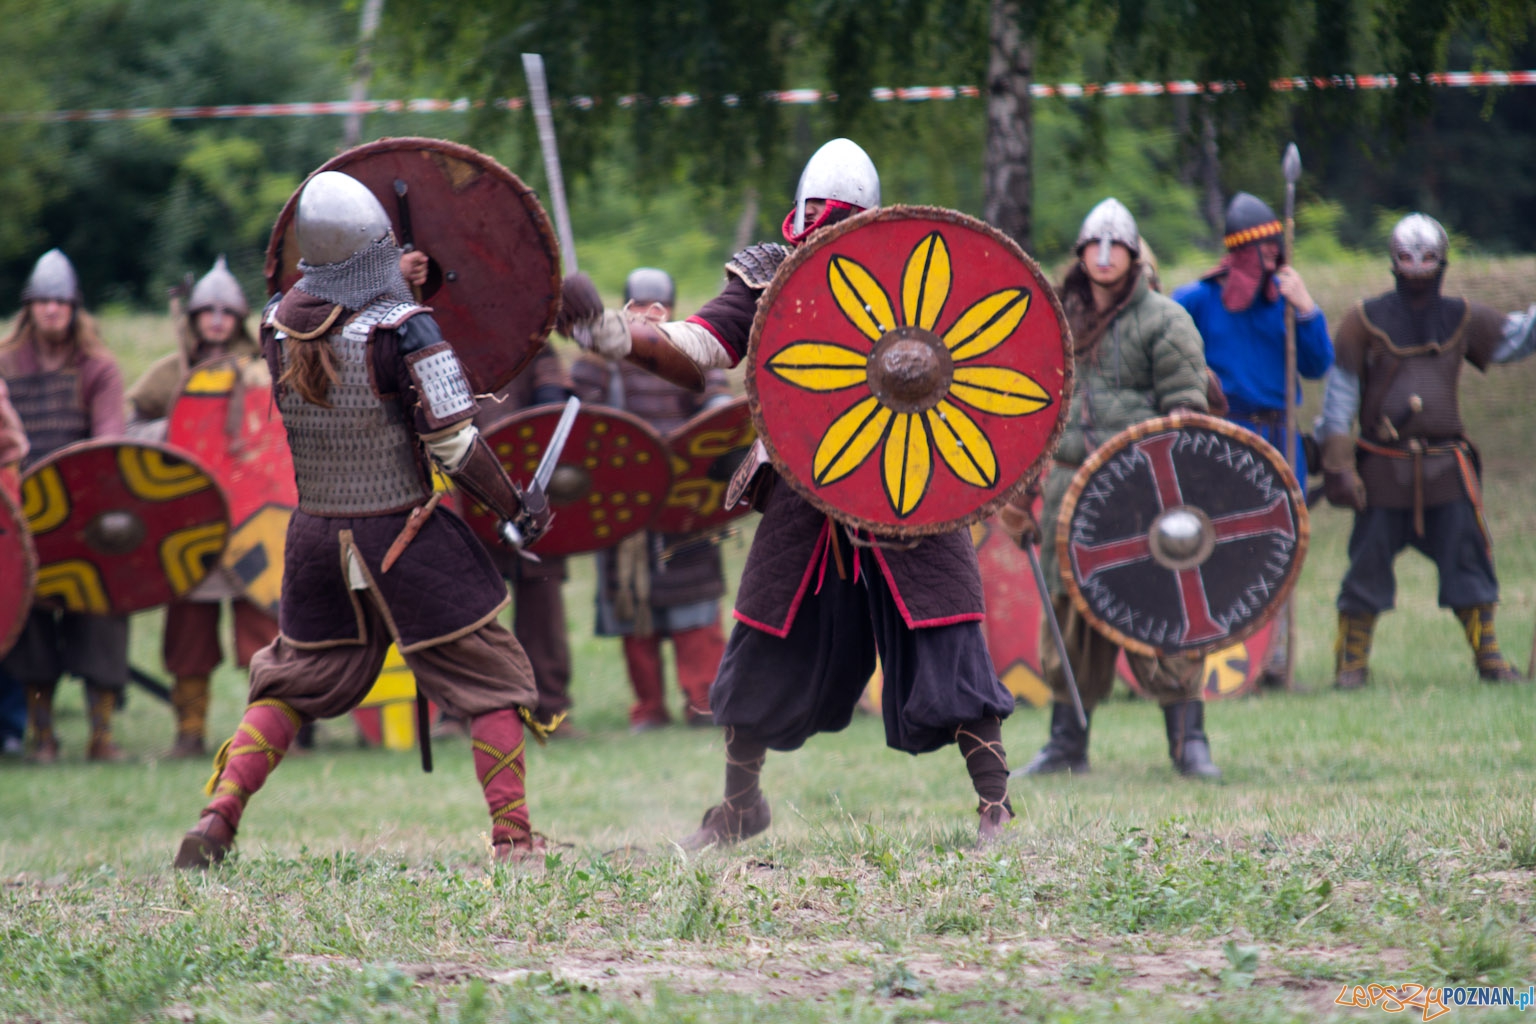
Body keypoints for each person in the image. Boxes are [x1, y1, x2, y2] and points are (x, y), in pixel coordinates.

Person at [562, 138, 1017, 847]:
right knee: (764, 636)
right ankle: (741, 807)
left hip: (907, 475)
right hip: (807, 478)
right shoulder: (769, 273)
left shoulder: (910, 263)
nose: (816, 232)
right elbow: (706, 342)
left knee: (945, 631)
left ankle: (995, 805)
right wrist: (617, 336)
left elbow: (988, 353)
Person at [173, 171, 556, 868]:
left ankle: (218, 816)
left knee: (289, 681)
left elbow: (325, 315)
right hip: (403, 535)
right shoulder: (405, 329)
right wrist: (515, 504)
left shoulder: (273, 325)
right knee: (492, 675)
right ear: (377, 248)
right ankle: (515, 839)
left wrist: (401, 284)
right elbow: (454, 443)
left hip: (316, 535)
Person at [1004, 199, 1221, 780]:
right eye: (1094, 246)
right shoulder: (1055, 320)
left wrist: (1179, 492)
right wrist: (1018, 497)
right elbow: (1033, 415)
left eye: (1115, 246)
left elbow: (1187, 416)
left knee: (1162, 608)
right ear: (1081, 253)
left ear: (1133, 254)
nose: (1104, 257)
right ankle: (1067, 744)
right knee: (1069, 616)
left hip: (1145, 489)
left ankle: (1188, 740)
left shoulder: (1166, 320)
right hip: (1070, 492)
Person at [1318, 213, 1535, 688]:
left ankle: (1489, 657)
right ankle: (1351, 663)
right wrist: (1337, 466)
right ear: (1393, 262)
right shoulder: (1363, 320)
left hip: (1445, 468)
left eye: (1427, 257)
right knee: (1367, 564)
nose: (1417, 267)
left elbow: (1519, 337)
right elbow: (1339, 401)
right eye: (1407, 257)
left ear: (1442, 262)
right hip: (1383, 467)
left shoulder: (1461, 316)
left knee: (1469, 559)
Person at [1173, 192, 1333, 685]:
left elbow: (1318, 363)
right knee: (1219, 547)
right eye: (1255, 251)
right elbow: (1165, 334)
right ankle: (1221, 662)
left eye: (1272, 249)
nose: (1265, 261)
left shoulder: (1286, 302)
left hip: (1281, 437)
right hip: (1225, 437)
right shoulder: (1198, 299)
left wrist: (1305, 308)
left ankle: (1276, 662)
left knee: (1281, 548)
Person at [126, 257, 281, 757]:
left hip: (251, 521)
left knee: (264, 632)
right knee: (188, 635)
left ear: (239, 316)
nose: (215, 320)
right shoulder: (170, 372)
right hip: (191, 522)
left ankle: (273, 732)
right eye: (206, 311)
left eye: (225, 311)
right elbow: (126, 432)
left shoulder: (263, 369)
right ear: (192, 317)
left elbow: (281, 436)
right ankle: (189, 731)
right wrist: (172, 433)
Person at [570, 268, 732, 732]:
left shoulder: (691, 354)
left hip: (685, 505)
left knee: (696, 613)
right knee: (634, 613)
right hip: (627, 508)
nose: (649, 313)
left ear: (673, 310)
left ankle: (703, 700)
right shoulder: (602, 359)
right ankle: (649, 706)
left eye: (658, 306)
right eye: (639, 305)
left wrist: (704, 433)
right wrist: (594, 356)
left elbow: (719, 412)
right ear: (624, 309)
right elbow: (579, 416)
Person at [0, 249, 129, 762]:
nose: (52, 310)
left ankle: (101, 734)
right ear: (29, 307)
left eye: (61, 302)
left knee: (103, 608)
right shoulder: (5, 366)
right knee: (28, 624)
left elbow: (109, 443)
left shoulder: (97, 368)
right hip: (24, 516)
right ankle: (43, 734)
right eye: (43, 302)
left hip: (87, 516)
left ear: (75, 308)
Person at [432, 342, 578, 739]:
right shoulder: (443, 342)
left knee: (542, 608)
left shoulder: (534, 346)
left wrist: (547, 407)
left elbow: (552, 411)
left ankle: (549, 708)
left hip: (533, 495)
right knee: (467, 612)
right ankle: (458, 710)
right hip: (467, 493)